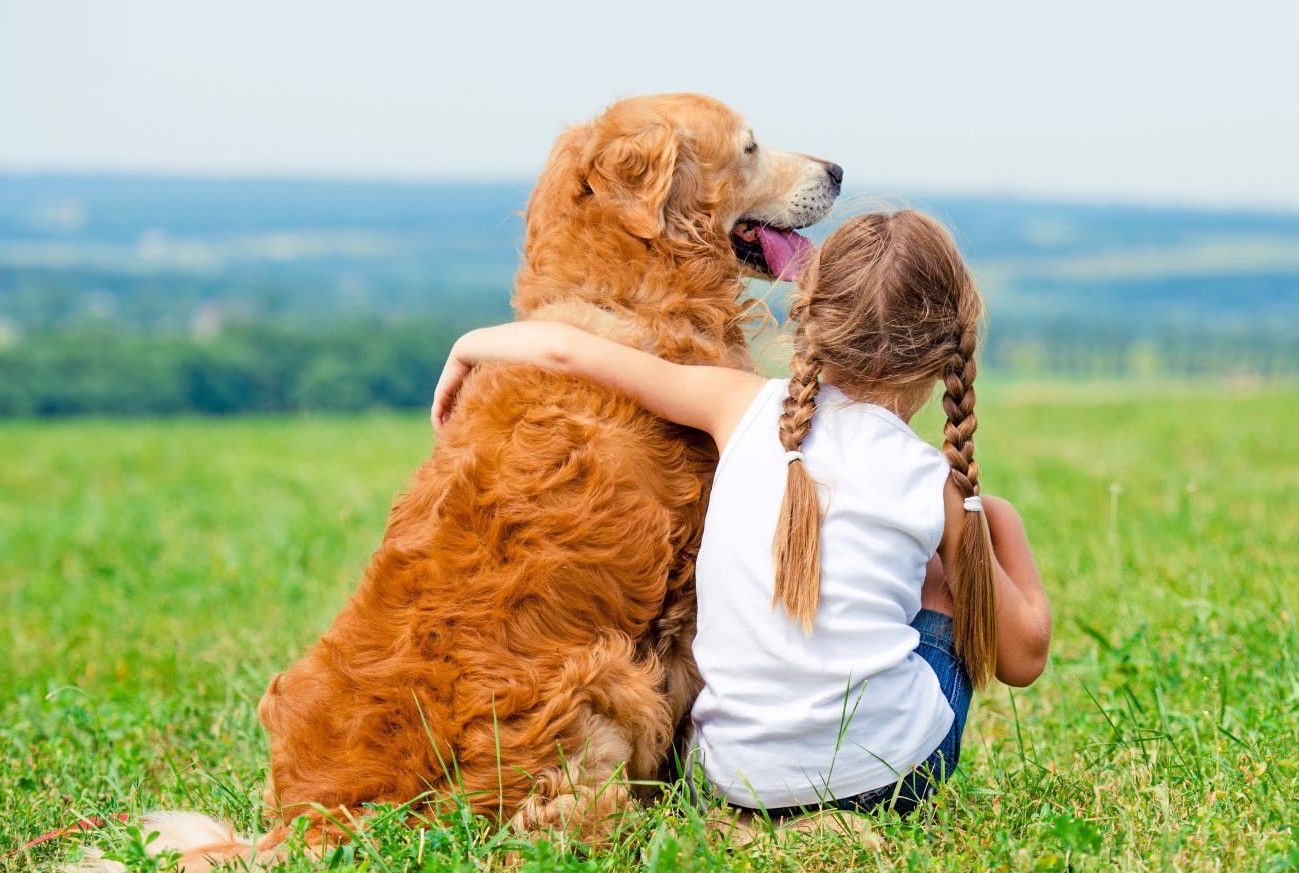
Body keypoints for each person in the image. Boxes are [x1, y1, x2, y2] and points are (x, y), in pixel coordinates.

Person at [431, 209, 1051, 816]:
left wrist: (467, 347)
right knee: (944, 574)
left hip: (726, 779)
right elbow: (1022, 659)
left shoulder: (735, 405)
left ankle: (767, 810)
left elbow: (567, 349)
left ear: (806, 320)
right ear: (948, 351)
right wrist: (994, 521)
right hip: (887, 782)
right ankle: (855, 754)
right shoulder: (932, 483)